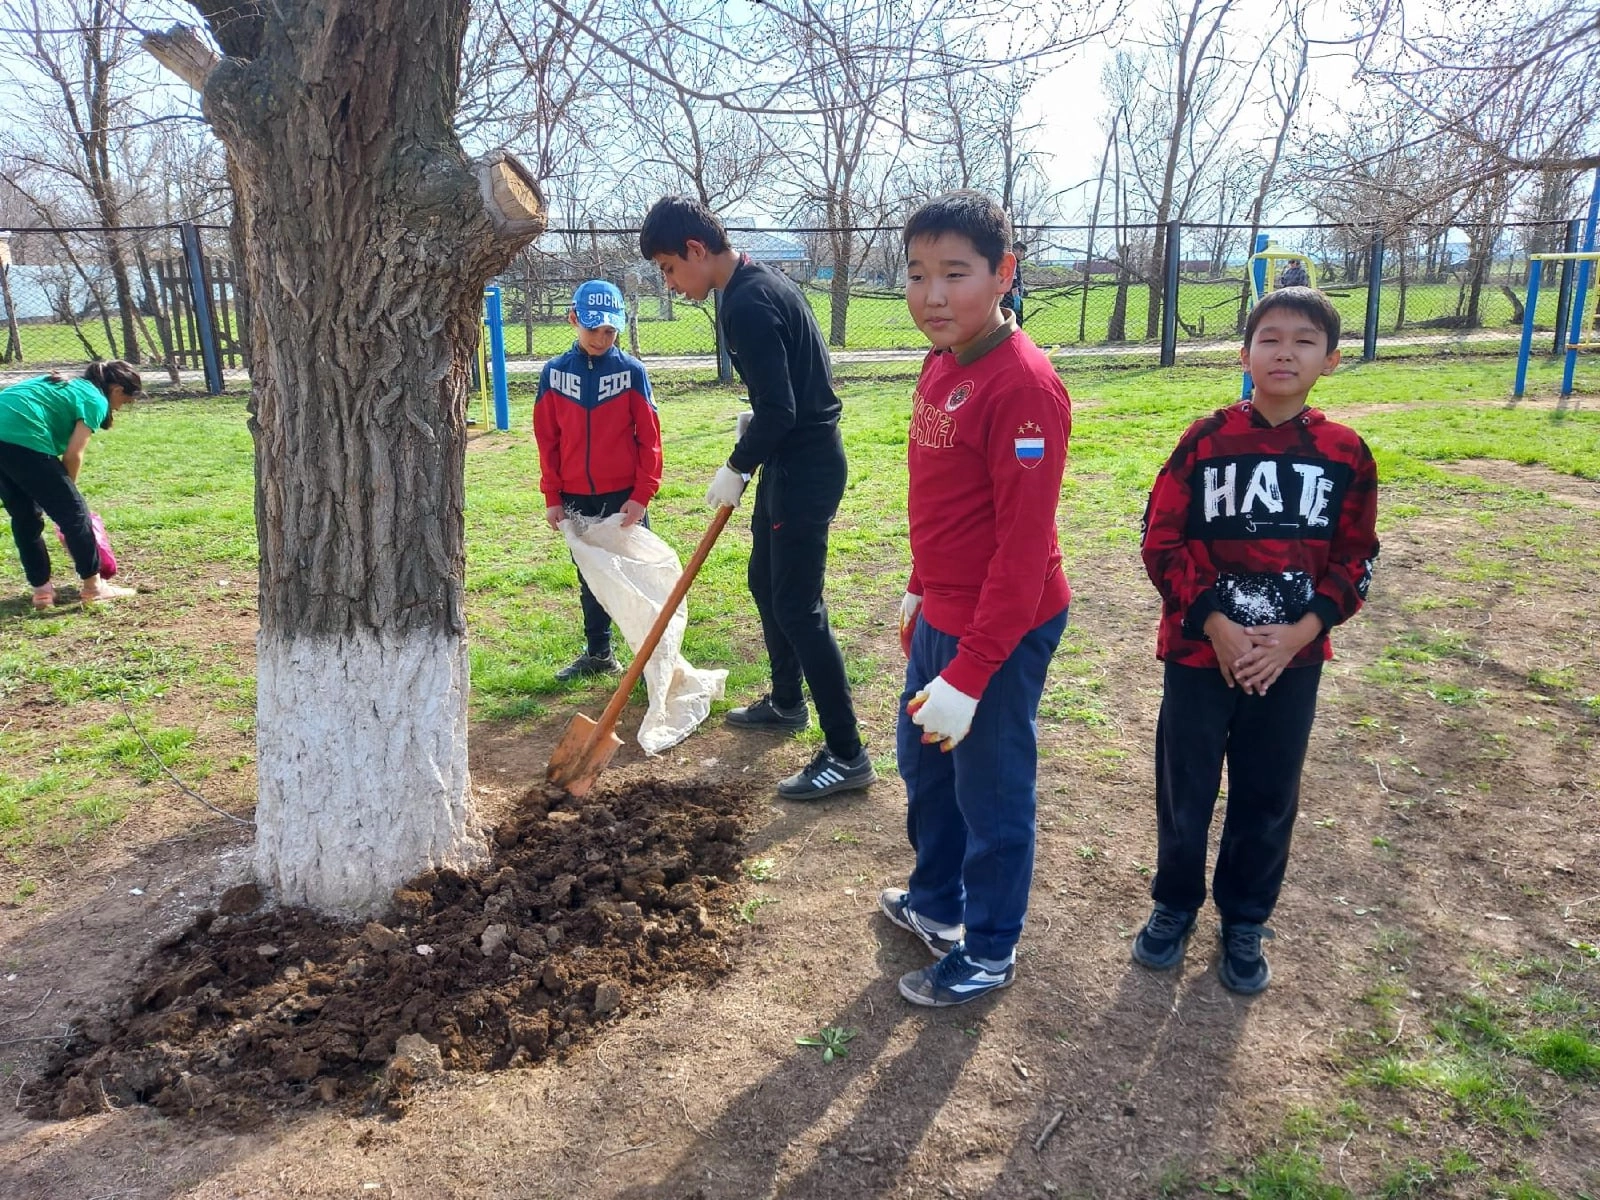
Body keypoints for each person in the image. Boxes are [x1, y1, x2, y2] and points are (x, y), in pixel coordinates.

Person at [1133, 285, 1379, 994]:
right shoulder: (1205, 442)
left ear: (1330, 360)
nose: (1285, 352)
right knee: (1186, 786)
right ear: (1245, 353)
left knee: (1268, 792)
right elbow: (1161, 539)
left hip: (1289, 664)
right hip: (1198, 654)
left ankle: (1245, 916)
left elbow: (1356, 558)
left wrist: (1297, 634)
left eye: (1304, 341)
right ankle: (1174, 903)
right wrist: (1214, 621)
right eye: (1270, 338)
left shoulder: (1344, 454)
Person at [878, 191, 1072, 1008]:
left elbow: (1023, 551)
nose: (932, 295)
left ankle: (990, 948)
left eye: (955, 274)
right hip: (947, 611)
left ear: (1003, 275)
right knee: (924, 765)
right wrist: (922, 588)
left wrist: (972, 670)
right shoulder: (940, 361)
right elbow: (947, 501)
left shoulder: (1022, 387)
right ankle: (938, 906)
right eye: (918, 274)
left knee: (990, 791)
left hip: (1004, 622)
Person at [639, 196, 874, 801]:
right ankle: (787, 700)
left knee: (798, 606)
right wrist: (758, 433)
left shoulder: (746, 300)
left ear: (696, 249)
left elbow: (784, 408)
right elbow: (786, 389)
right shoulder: (757, 282)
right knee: (763, 580)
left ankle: (847, 753)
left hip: (805, 464)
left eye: (668, 268)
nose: (669, 282)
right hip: (793, 456)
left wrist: (737, 465)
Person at [534, 280, 662, 680]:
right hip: (575, 498)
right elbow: (547, 439)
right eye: (593, 329)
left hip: (623, 498)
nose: (601, 338)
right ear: (573, 319)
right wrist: (553, 496)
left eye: (609, 330)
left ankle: (649, 660)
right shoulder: (554, 374)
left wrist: (641, 495)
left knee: (635, 578)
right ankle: (599, 653)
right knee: (591, 577)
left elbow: (650, 440)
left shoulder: (631, 372)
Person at [0, 360, 140, 608]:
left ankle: (42, 592)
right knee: (74, 514)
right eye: (124, 402)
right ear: (117, 389)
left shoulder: (64, 384)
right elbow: (73, 455)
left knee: (25, 517)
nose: (118, 409)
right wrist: (67, 493)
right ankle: (94, 588)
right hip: (24, 437)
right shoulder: (95, 398)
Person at [999, 240, 1026, 326]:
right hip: (1011, 298)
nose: (1022, 254)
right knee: (1015, 322)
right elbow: (1014, 282)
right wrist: (1016, 298)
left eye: (1023, 252)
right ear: (1013, 250)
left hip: (1010, 297)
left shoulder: (1016, 263)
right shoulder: (1012, 263)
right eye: (1020, 251)